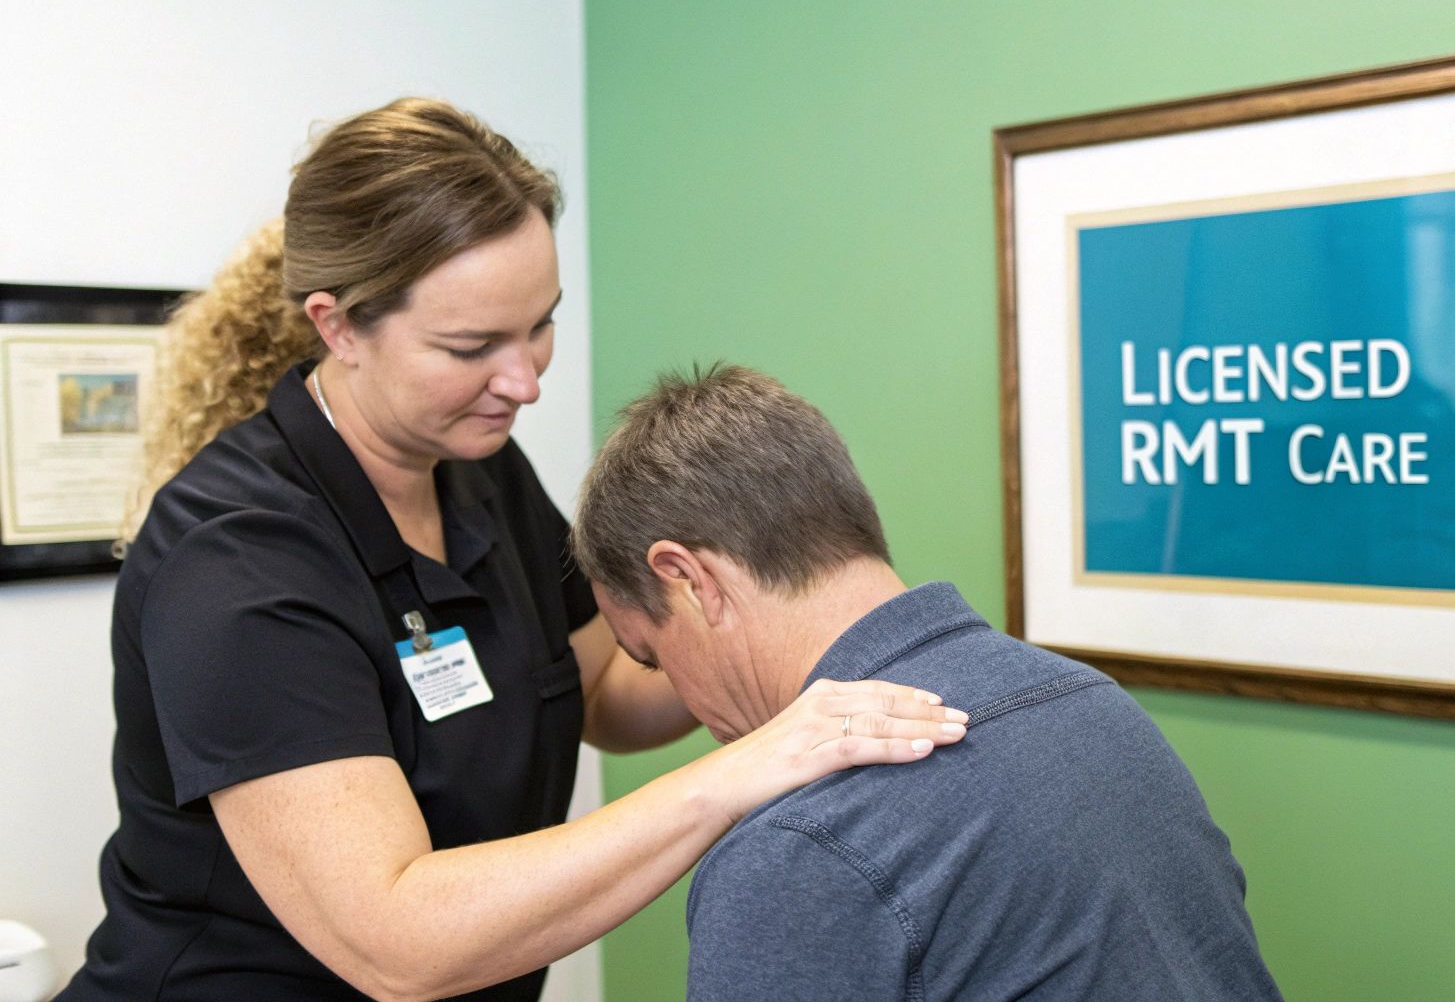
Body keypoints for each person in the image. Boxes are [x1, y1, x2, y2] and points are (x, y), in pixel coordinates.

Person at [60, 99, 967, 1001]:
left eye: (540, 323)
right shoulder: (236, 563)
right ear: (337, 326)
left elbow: (605, 693)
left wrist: (790, 641)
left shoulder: (476, 470)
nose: (524, 381)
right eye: (471, 345)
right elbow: (397, 943)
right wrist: (749, 768)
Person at [569, 365, 1284, 1001]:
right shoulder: (1096, 709)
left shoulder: (799, 847)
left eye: (652, 657)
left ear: (691, 581)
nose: (683, 699)